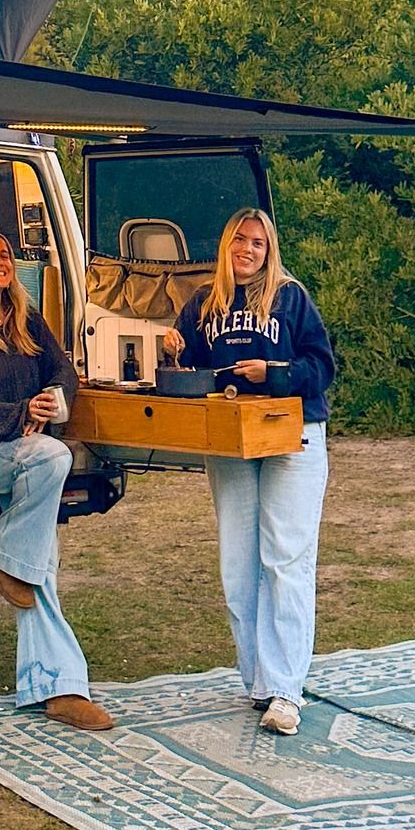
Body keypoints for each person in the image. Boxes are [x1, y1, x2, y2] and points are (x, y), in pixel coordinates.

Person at [0, 227, 113, 733]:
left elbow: (64, 372)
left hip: (24, 451)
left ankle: (58, 686)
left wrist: (52, 398)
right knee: (53, 457)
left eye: (5, 254)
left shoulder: (27, 320)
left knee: (38, 559)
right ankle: (3, 549)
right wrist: (21, 412)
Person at [169, 207, 335, 735]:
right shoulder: (204, 303)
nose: (247, 249)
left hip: (291, 433)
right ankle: (259, 681)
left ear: (269, 250)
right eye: (240, 239)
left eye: (258, 243)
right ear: (226, 244)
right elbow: (189, 370)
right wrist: (175, 350)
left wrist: (275, 373)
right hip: (230, 436)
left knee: (285, 557)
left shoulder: (290, 297)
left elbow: (322, 366)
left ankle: (287, 690)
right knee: (239, 562)